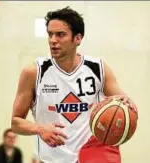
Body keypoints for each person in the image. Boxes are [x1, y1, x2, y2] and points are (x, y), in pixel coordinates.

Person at [11, 6, 137, 163]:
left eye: (60, 35)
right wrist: (40, 128)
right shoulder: (34, 72)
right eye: (50, 34)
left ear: (78, 38)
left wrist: (127, 106)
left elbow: (125, 103)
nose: (53, 40)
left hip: (87, 158)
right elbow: (15, 122)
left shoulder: (98, 68)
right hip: (49, 160)